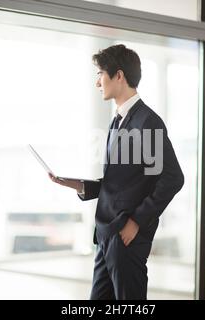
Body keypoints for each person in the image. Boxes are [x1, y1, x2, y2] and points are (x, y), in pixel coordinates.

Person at [49, 44, 184, 300]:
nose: (97, 83)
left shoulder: (147, 121)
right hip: (106, 235)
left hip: (126, 238)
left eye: (100, 73)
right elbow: (123, 182)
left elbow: (172, 178)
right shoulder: (117, 121)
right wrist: (79, 186)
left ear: (119, 76)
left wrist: (136, 222)